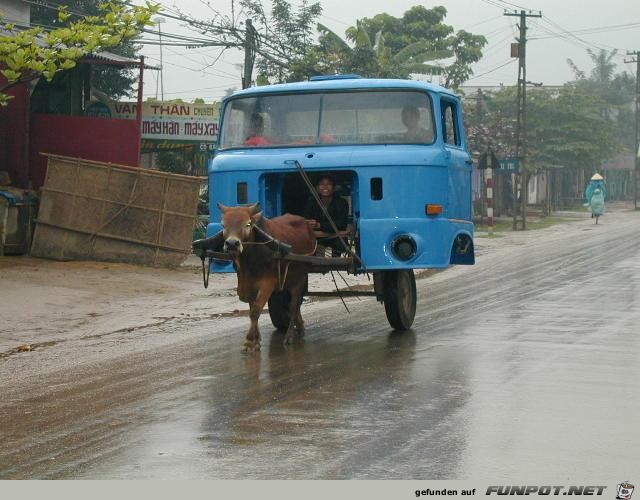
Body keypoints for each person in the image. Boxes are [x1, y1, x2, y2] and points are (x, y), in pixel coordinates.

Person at [303, 175, 349, 255]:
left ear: (334, 188)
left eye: (329, 184)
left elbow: (340, 224)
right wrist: (308, 223)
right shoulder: (312, 203)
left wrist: (319, 225)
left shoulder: (342, 203)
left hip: (336, 237)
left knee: (339, 249)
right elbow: (305, 219)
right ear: (317, 188)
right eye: (322, 184)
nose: (325, 187)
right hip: (317, 238)